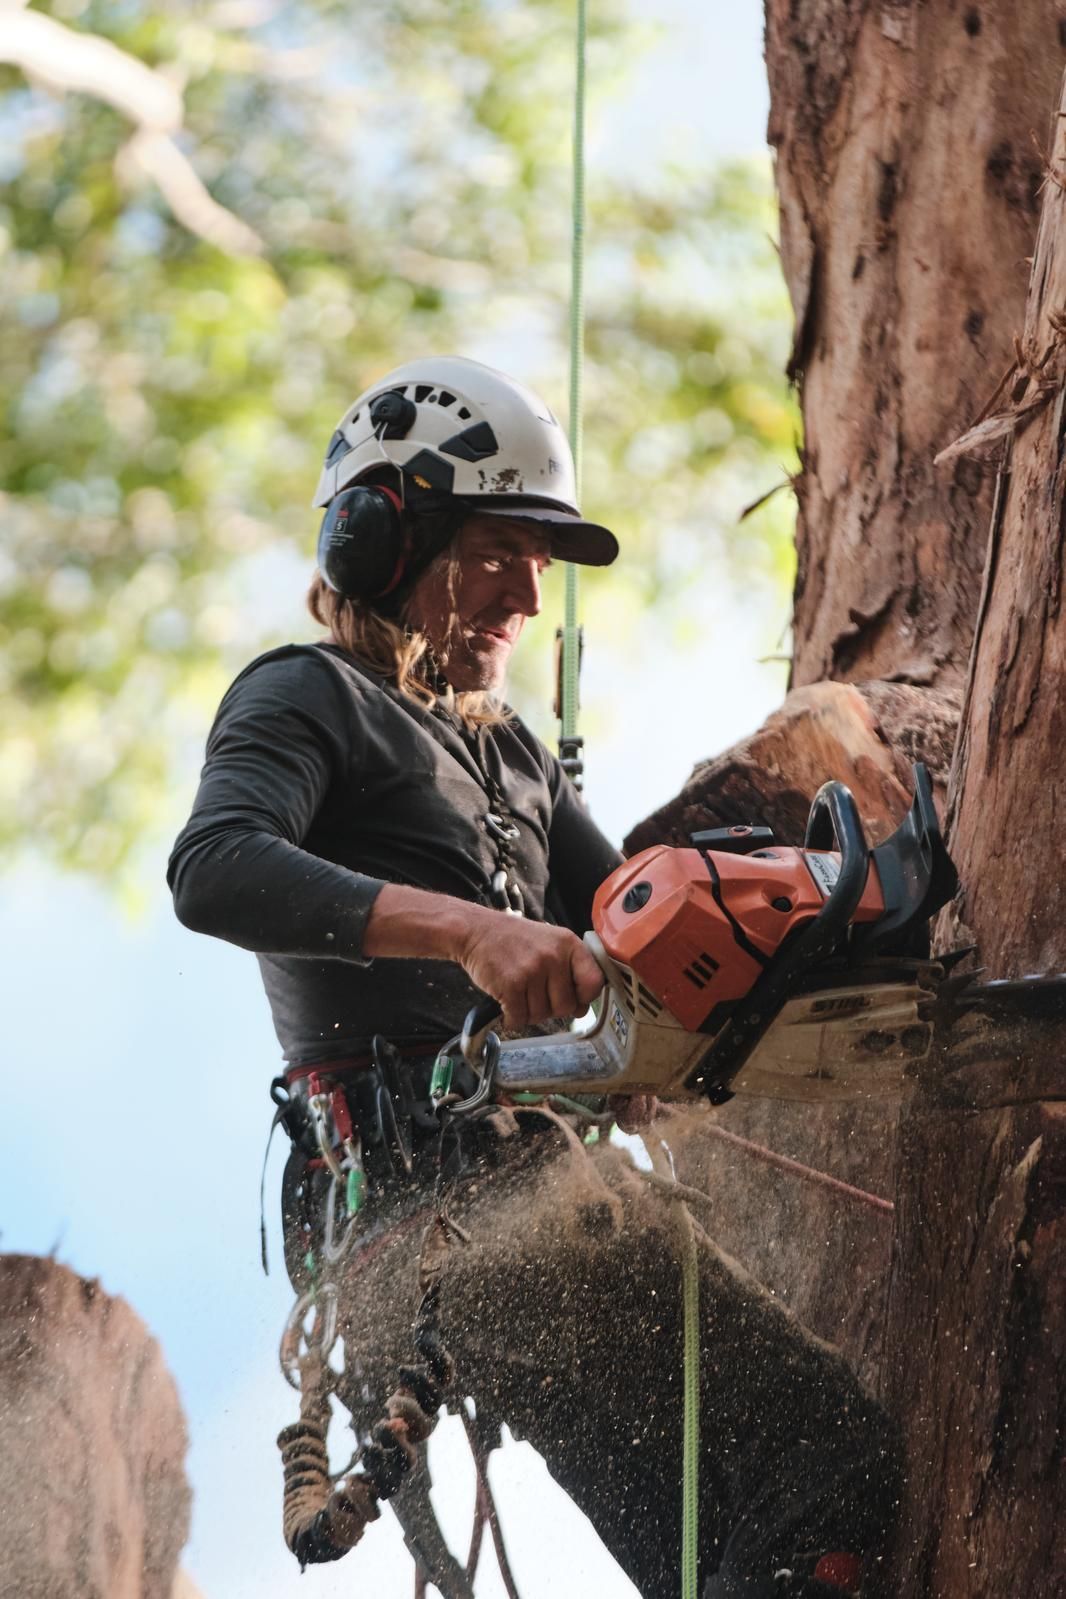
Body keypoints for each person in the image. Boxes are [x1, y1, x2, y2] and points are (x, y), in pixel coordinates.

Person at [169, 356, 899, 1598]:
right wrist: (467, 933)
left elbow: (631, 920)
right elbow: (217, 868)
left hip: (531, 1192)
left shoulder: (507, 750)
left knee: (714, 1539)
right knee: (828, 1459)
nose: (527, 592)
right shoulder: (309, 695)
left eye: (541, 561)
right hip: (443, 1203)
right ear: (381, 536)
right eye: (501, 550)